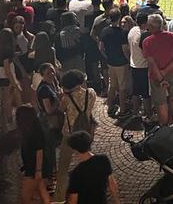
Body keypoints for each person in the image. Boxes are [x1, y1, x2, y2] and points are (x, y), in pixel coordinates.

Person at [57, 69, 97, 199]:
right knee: (87, 162)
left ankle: (60, 197)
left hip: (70, 133)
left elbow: (60, 110)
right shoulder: (91, 93)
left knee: (63, 167)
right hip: (86, 133)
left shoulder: (66, 99)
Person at [143, 13, 173, 125]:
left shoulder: (147, 41)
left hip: (156, 76)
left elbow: (152, 63)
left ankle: (164, 128)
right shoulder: (172, 36)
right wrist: (166, 70)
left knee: (161, 103)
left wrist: (161, 77)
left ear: (151, 26)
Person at [65, 131, 120, 204]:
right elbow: (112, 183)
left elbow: (73, 200)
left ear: (75, 150)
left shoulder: (76, 173)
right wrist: (117, 201)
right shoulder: (103, 159)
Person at [99, 8, 132, 118]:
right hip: (121, 63)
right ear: (119, 18)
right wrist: (129, 60)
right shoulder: (122, 33)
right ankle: (122, 109)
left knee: (112, 85)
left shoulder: (104, 31)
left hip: (110, 62)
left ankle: (110, 106)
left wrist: (107, 57)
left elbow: (101, 48)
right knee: (122, 87)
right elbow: (124, 49)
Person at [16, 104, 51, 204]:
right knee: (42, 192)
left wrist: (38, 170)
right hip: (35, 167)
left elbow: (39, 151)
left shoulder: (34, 132)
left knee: (25, 198)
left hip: (33, 168)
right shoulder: (35, 129)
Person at [0, 27, 20, 133]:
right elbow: (8, 71)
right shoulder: (7, 52)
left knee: (3, 102)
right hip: (6, 80)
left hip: (0, 78)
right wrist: (15, 83)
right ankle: (9, 124)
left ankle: (3, 125)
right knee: (8, 103)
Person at [127, 10, 151, 118]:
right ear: (145, 23)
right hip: (143, 67)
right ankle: (148, 114)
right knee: (146, 94)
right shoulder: (145, 35)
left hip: (134, 65)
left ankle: (135, 112)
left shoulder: (132, 30)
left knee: (135, 92)